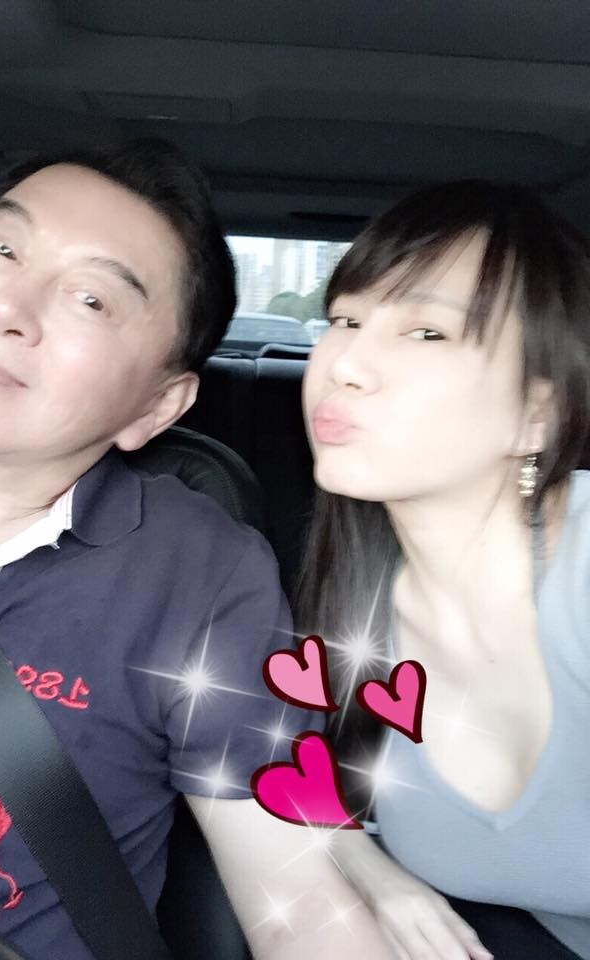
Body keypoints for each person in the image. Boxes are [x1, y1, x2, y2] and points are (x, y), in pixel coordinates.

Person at [0, 140, 394, 959]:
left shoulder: (200, 573)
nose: (9, 307)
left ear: (157, 405)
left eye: (90, 299)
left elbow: (294, 898)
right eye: (3, 249)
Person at [298, 179, 590, 960]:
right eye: (344, 320)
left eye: (426, 332)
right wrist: (375, 875)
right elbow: (310, 786)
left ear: (537, 415)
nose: (345, 363)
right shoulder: (351, 616)